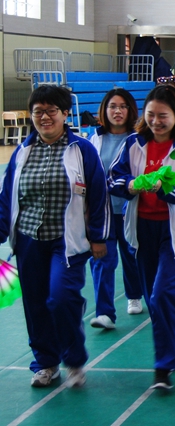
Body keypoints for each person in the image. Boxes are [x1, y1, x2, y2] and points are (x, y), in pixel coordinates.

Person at [0, 85, 109, 389]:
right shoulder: (22, 152)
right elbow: (7, 198)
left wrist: (98, 237)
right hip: (28, 241)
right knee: (35, 304)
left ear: (65, 114)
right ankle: (46, 363)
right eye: (38, 111)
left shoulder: (82, 149)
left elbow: (97, 196)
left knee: (61, 298)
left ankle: (74, 360)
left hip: (68, 242)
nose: (44, 117)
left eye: (51, 111)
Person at [109, 84, 175, 391]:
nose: (156, 121)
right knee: (152, 297)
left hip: (174, 233)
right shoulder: (134, 143)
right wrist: (132, 184)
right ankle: (173, 345)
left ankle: (162, 365)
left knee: (163, 293)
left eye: (163, 116)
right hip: (141, 229)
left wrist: (163, 185)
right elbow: (114, 177)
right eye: (150, 115)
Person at [89, 89, 144, 330]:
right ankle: (105, 313)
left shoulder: (139, 139)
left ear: (131, 110)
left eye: (122, 106)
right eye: (113, 106)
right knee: (102, 260)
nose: (118, 111)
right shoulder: (94, 140)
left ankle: (134, 295)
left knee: (131, 256)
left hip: (130, 209)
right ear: (105, 110)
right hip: (102, 213)